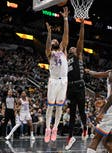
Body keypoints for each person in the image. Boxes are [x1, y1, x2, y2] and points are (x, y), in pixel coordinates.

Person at [44, 6, 69, 143]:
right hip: (53, 81)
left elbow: (66, 36)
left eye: (55, 39)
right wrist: (49, 33)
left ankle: (55, 128)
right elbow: (47, 47)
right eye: (52, 40)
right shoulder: (50, 54)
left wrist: (65, 19)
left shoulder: (63, 50)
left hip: (63, 81)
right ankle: (48, 128)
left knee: (59, 107)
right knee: (50, 106)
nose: (54, 40)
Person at [65, 18, 88, 150]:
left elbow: (81, 40)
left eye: (73, 47)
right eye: (71, 47)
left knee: (81, 110)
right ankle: (70, 137)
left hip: (79, 85)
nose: (72, 47)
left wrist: (82, 26)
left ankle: (85, 127)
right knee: (72, 114)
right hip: (70, 87)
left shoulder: (78, 55)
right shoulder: (66, 59)